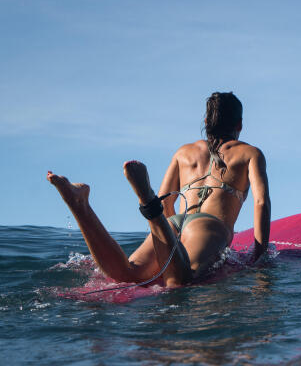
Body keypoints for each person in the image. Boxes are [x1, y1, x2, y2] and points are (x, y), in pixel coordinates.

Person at [47, 92, 271, 287]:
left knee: (127, 274)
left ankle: (80, 205)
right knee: (183, 280)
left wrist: (175, 241)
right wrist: (259, 257)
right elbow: (261, 203)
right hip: (209, 227)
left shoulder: (184, 152)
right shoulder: (250, 153)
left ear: (206, 120)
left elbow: (165, 203)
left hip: (173, 223)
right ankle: (147, 201)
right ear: (239, 125)